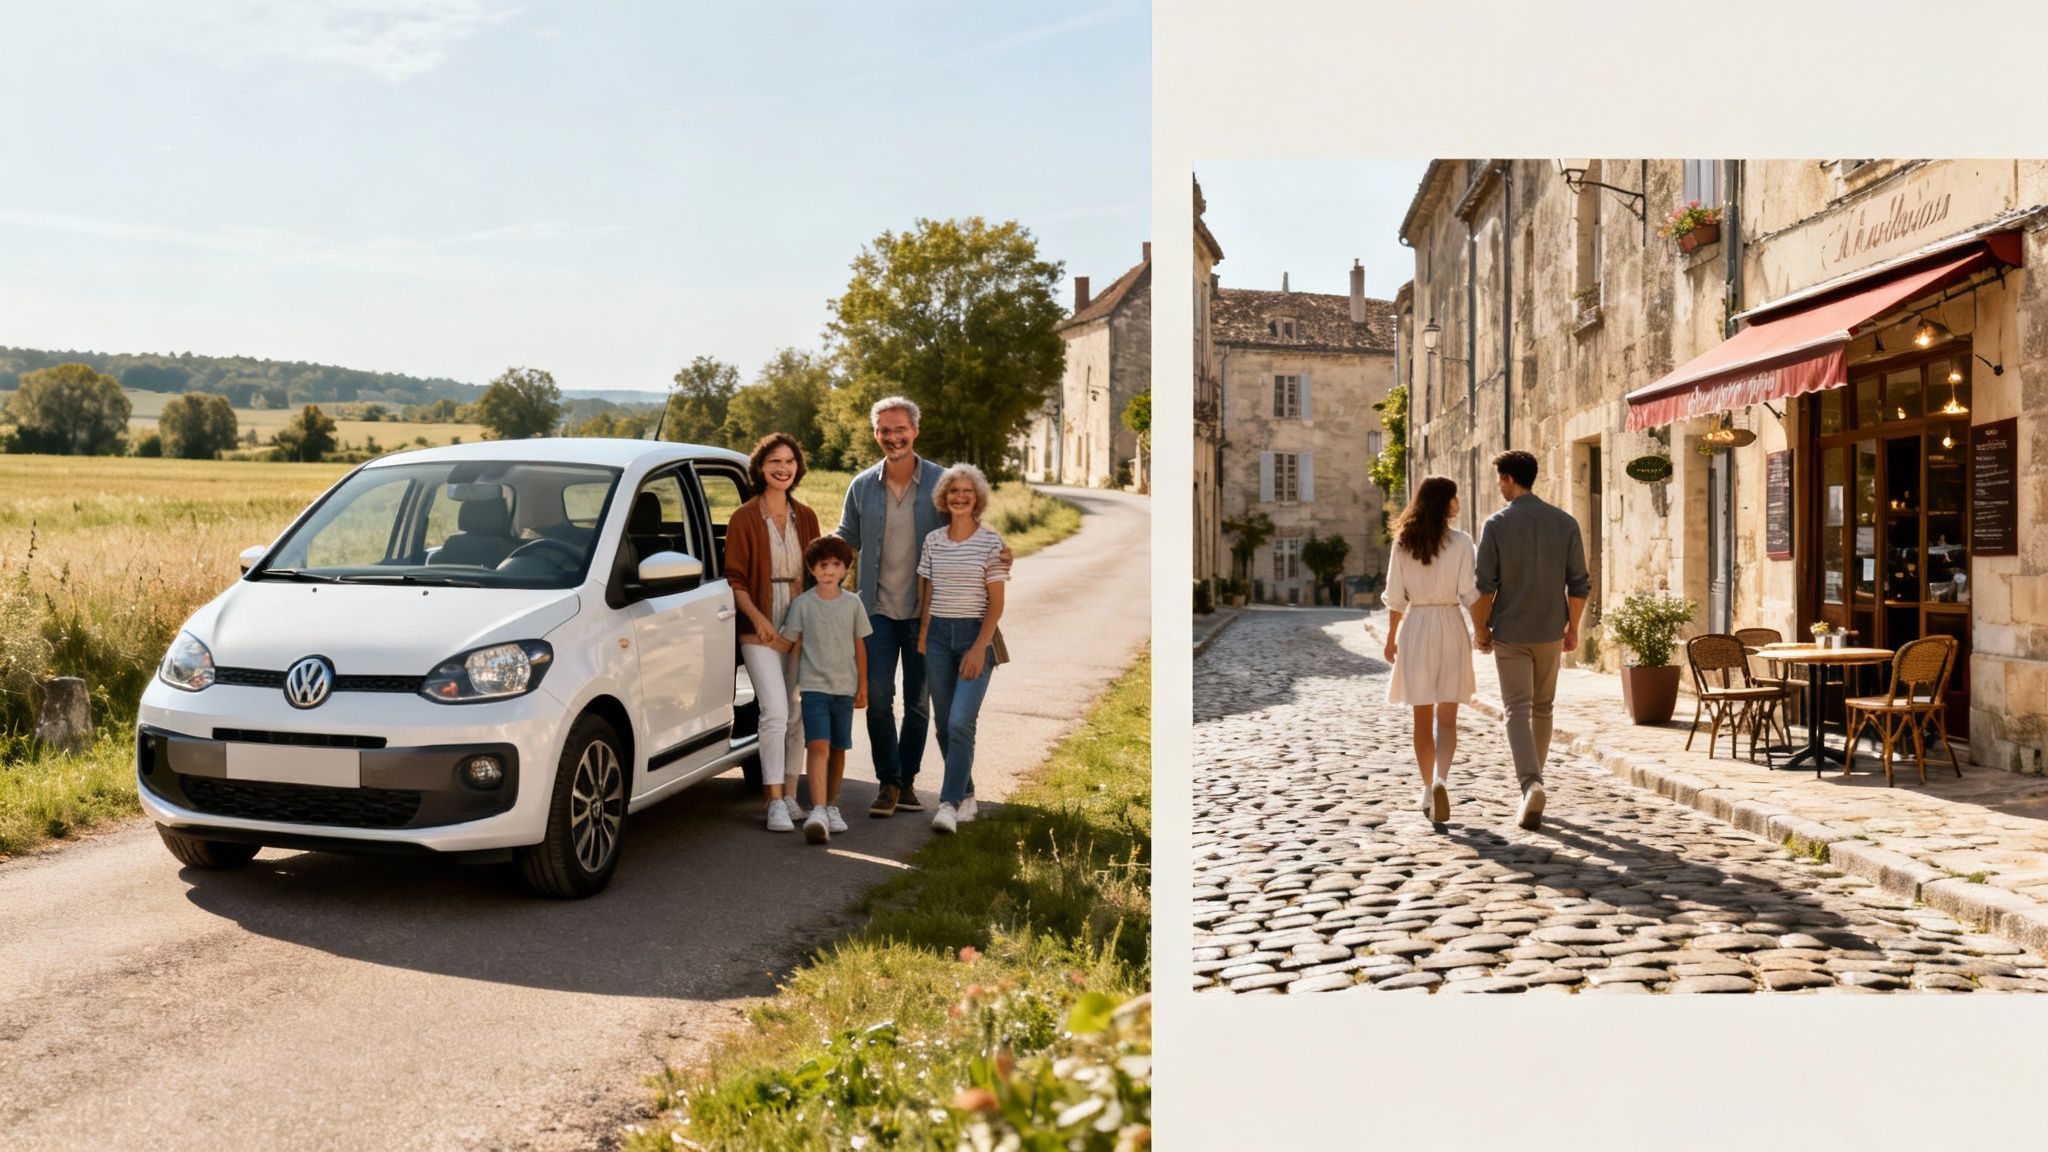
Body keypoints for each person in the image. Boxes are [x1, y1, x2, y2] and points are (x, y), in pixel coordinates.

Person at [837, 397, 1016, 818]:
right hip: (876, 610)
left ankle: (908, 781)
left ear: (914, 431)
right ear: (876, 434)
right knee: (878, 698)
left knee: (918, 704)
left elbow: (966, 519)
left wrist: (1001, 550)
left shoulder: (939, 480)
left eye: (900, 429)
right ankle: (888, 780)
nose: (893, 437)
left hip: (926, 615)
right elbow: (846, 538)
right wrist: (813, 567)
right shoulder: (862, 485)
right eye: (884, 430)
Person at [1469, 450, 1590, 831]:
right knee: (1543, 707)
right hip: (1550, 631)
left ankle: (1530, 784)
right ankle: (1534, 783)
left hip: (1511, 632)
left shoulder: (1496, 524)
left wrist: (1481, 629)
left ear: (1508, 478)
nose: (1499, 486)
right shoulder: (1565, 522)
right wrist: (1573, 627)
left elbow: (1484, 586)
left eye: (1500, 479)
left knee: (1517, 709)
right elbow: (1579, 584)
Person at [721, 432, 820, 833]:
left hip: (799, 626)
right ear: (760, 468)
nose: (783, 468)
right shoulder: (744, 517)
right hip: (758, 628)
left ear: (798, 468)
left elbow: (818, 575)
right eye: (775, 461)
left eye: (789, 462)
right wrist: (761, 622)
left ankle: (792, 795)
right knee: (775, 711)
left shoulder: (807, 516)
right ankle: (773, 800)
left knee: (797, 714)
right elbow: (735, 580)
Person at [916, 463, 1009, 835]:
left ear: (978, 498)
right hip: (938, 637)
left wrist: (978, 649)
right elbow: (927, 592)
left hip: (976, 636)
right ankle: (966, 792)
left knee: (960, 722)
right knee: (943, 726)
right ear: (944, 497)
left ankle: (948, 805)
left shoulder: (991, 543)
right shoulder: (933, 541)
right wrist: (924, 634)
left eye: (967, 492)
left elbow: (996, 605)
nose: (959, 497)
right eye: (953, 491)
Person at [1380, 476, 1477, 824]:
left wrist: (1391, 638)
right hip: (1450, 624)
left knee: (1421, 718)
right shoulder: (1462, 543)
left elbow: (1395, 597)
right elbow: (1469, 592)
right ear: (1446, 502)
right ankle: (1441, 780)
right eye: (1455, 497)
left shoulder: (1403, 542)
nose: (1458, 502)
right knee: (1447, 719)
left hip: (1417, 626)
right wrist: (1482, 629)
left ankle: (1426, 789)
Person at [778, 536, 871, 844]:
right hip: (813, 687)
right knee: (817, 745)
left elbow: (860, 647)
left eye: (835, 565)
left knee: (838, 748)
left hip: (844, 688)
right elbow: (787, 640)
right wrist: (760, 636)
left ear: (845, 569)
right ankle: (817, 810)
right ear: (811, 569)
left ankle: (831, 806)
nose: (829, 571)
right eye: (822, 565)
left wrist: (863, 686)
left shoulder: (853, 604)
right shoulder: (803, 605)